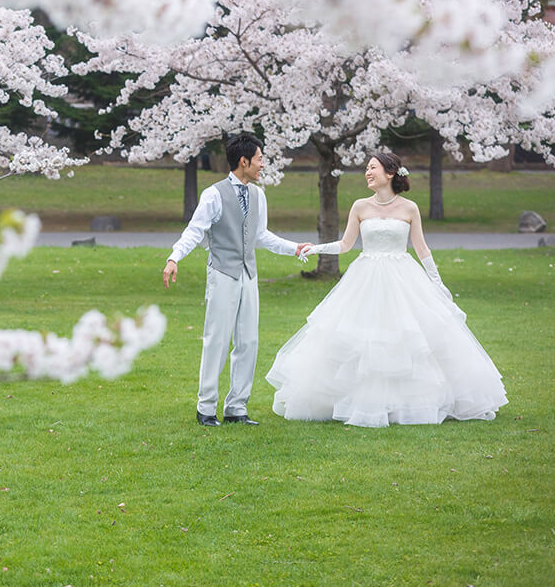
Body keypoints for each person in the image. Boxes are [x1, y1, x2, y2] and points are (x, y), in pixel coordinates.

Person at [266, 151, 507, 427]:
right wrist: (316, 247)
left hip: (402, 277)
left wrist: (438, 284)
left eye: (373, 168)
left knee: (409, 338)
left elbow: (422, 249)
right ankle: (356, 401)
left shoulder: (409, 208)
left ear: (390, 173)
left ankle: (409, 404)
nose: (367, 173)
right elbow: (345, 245)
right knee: (358, 338)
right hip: (365, 276)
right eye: (366, 169)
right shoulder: (360, 206)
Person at [163, 133, 309, 427]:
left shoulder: (258, 195)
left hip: (248, 275)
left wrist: (293, 248)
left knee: (249, 341)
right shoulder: (214, 195)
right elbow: (195, 230)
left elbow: (261, 236)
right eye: (259, 159)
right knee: (216, 340)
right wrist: (174, 257)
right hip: (222, 274)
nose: (262, 164)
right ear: (244, 162)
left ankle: (236, 408)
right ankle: (205, 408)